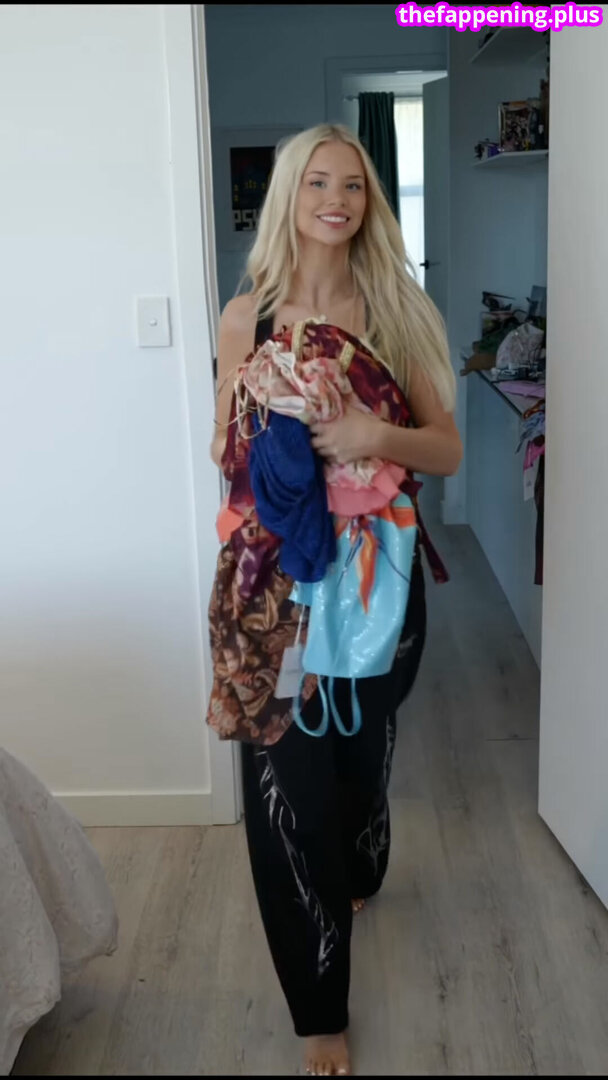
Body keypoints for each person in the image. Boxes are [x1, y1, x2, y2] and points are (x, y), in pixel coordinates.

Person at [208, 123, 462, 1077]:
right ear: (289, 195)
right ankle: (320, 1011)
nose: (336, 201)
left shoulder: (398, 309)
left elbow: (446, 448)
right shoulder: (247, 318)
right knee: (290, 793)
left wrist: (368, 434)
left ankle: (360, 867)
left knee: (359, 765)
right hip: (273, 589)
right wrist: (269, 436)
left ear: (370, 201)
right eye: (317, 182)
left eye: (353, 185)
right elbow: (221, 451)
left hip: (377, 583)